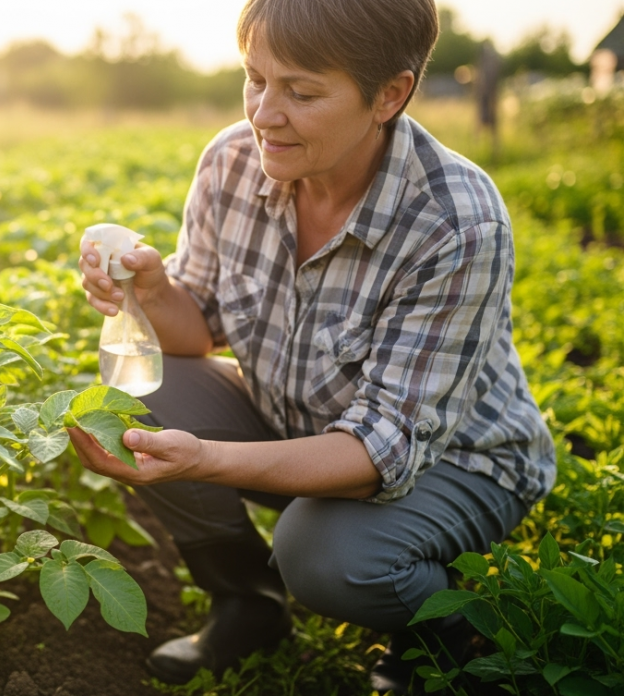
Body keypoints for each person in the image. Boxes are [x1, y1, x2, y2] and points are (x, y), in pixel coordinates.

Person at [70, 0, 557, 692]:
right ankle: (248, 605)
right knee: (141, 388)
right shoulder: (232, 162)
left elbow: (381, 451)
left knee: (322, 555)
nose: (264, 114)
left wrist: (204, 459)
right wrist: (152, 292)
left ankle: (446, 633)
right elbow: (198, 327)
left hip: (456, 460)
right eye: (255, 79)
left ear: (389, 95)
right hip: (302, 422)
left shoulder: (456, 223)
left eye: (301, 93)